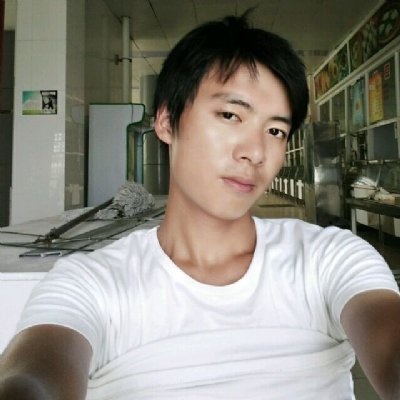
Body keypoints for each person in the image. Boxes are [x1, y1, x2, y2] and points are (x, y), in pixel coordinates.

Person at [1, 11, 400, 400]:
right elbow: (34, 380)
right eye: (230, 115)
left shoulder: (329, 259)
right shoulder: (90, 283)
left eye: (275, 130)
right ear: (166, 122)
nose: (255, 151)